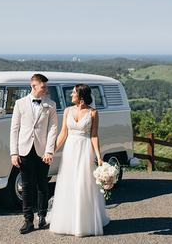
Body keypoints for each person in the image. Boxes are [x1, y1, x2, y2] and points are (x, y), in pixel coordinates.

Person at [48, 83, 110, 237]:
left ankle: (83, 223)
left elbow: (94, 136)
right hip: (70, 150)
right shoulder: (68, 111)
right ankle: (67, 220)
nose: (71, 95)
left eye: (73, 93)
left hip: (85, 150)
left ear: (81, 97)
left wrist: (99, 156)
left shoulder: (93, 113)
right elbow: (63, 134)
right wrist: (51, 151)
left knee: (83, 184)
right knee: (69, 183)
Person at [9, 73, 59, 234]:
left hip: (43, 151)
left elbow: (53, 129)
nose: (46, 89)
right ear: (33, 86)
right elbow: (14, 129)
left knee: (42, 185)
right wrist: (13, 153)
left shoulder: (51, 105)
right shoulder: (20, 103)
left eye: (46, 87)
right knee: (26, 186)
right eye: (43, 87)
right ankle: (28, 220)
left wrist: (49, 150)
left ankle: (42, 216)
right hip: (24, 150)